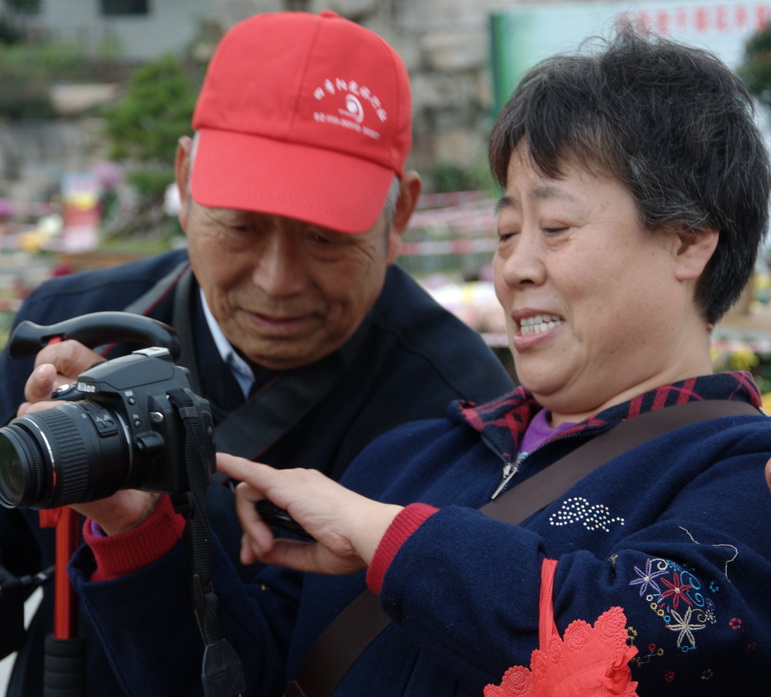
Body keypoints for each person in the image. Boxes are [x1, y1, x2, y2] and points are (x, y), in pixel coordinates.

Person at [22, 24, 771, 697]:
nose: (514, 267)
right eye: (507, 232)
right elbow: (233, 678)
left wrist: (385, 534)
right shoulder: (408, 455)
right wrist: (138, 525)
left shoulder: (740, 474)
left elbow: (634, 646)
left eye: (555, 225)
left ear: (686, 241)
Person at [0, 11, 514, 697]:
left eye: (325, 238)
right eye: (240, 226)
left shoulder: (456, 414)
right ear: (185, 182)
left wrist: (145, 527)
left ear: (398, 216)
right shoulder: (65, 329)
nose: (276, 279)